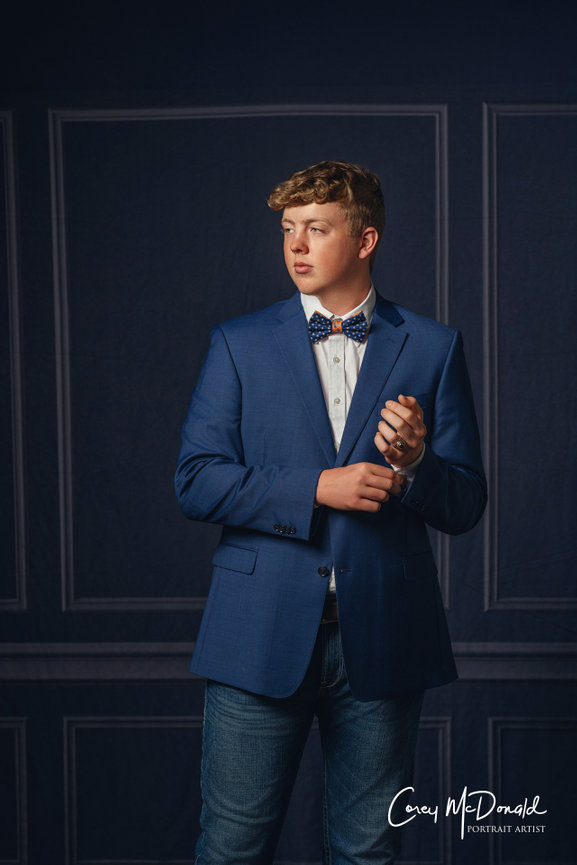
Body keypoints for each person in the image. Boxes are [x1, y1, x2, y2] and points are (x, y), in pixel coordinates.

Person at [175, 160, 487, 863]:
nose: (296, 246)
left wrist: (412, 467)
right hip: (257, 632)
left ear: (365, 239)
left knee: (367, 851)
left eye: (316, 229)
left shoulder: (433, 347)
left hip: (383, 634)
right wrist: (317, 486)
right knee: (230, 848)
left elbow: (465, 500)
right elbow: (195, 480)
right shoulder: (238, 342)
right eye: (288, 230)